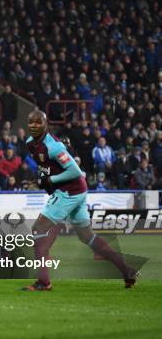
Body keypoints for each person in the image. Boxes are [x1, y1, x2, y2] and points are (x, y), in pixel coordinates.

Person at [24, 110, 137, 291]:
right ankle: (127, 270)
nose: (34, 125)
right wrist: (45, 179)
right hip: (78, 190)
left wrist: (51, 180)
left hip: (70, 191)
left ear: (46, 125)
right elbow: (44, 166)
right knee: (86, 236)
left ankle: (43, 282)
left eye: (38, 122)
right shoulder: (31, 144)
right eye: (31, 122)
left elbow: (76, 172)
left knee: (38, 228)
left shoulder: (54, 147)